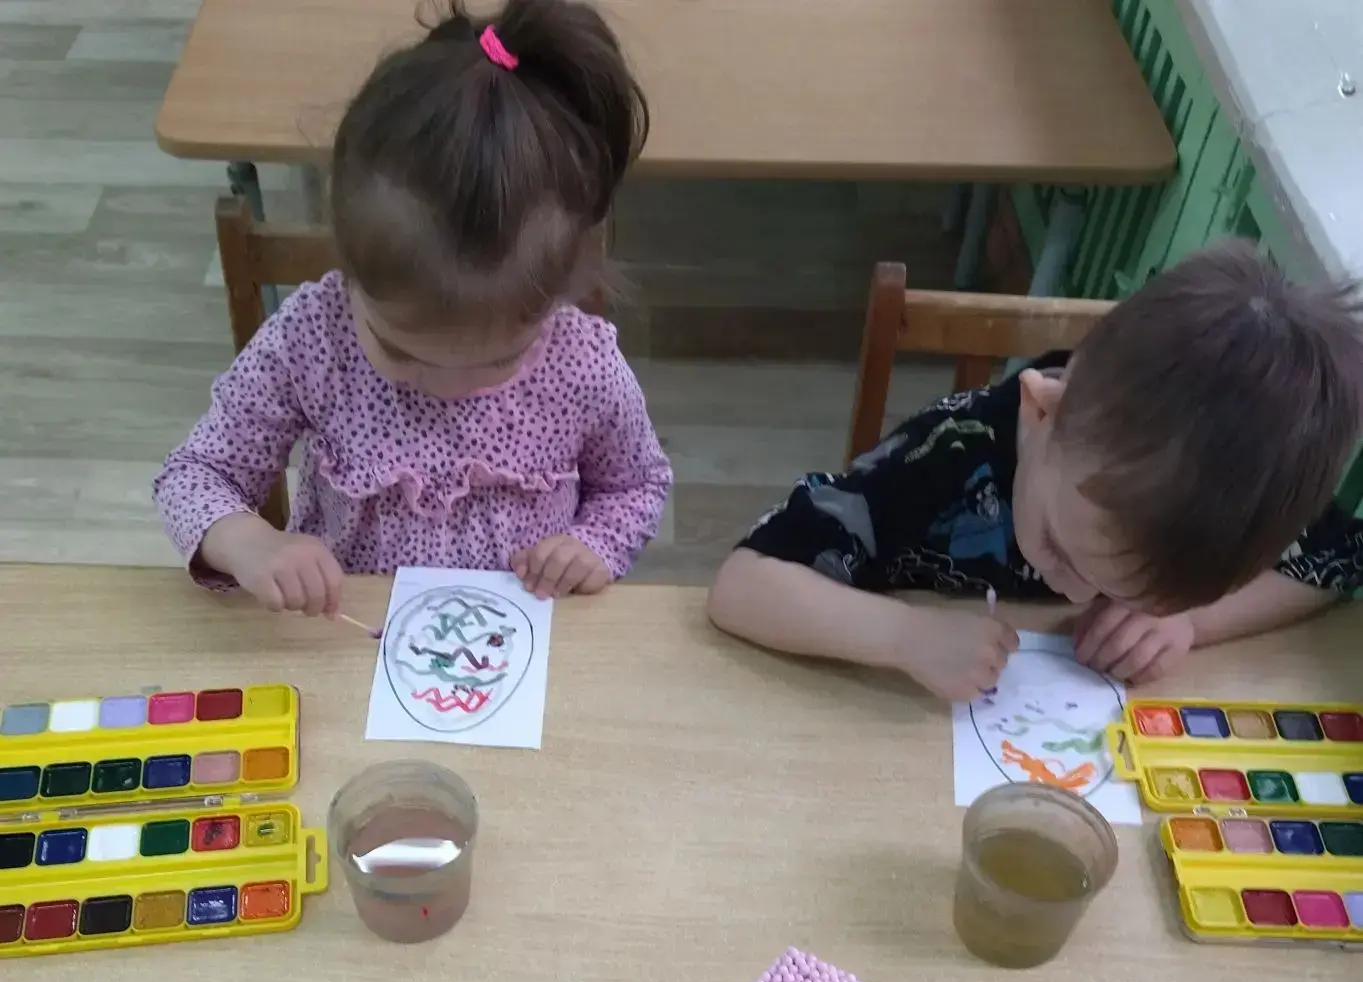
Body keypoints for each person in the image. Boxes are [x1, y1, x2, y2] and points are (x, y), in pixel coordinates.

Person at [154, 0, 671, 612]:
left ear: (561, 294)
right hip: (345, 637)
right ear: (350, 268)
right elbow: (194, 474)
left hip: (517, 640)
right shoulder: (312, 340)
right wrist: (247, 541)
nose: (446, 388)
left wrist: (592, 545)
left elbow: (637, 487)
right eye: (400, 351)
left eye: (497, 361)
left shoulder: (582, 365)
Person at [707, 240, 1363, 700]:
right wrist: (904, 636)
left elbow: (1334, 565)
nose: (1077, 597)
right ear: (1039, 411)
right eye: (1059, 548)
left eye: (1127, 589)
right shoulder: (946, 454)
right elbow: (742, 583)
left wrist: (1190, 622)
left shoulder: (1226, 496)